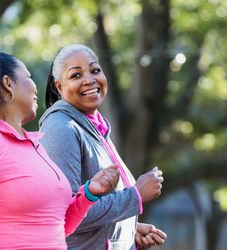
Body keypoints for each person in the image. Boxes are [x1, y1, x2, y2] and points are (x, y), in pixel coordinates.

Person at [0, 37, 121, 250]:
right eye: (28, 77)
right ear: (7, 84)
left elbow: (55, 226)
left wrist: (89, 193)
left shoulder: (34, 145)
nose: (35, 87)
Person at [39, 44, 167, 250]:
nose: (89, 79)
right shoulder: (61, 128)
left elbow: (97, 209)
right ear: (59, 87)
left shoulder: (95, 126)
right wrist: (135, 195)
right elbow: (66, 214)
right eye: (76, 75)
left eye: (95, 70)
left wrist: (127, 229)